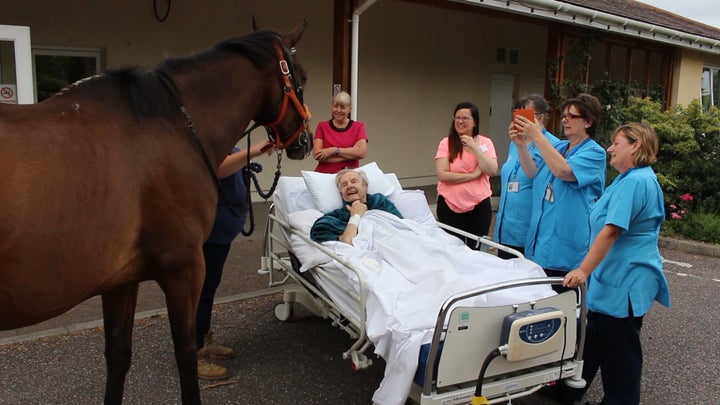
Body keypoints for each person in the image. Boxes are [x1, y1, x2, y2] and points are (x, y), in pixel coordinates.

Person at [558, 123, 671, 404]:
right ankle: (568, 389)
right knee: (594, 337)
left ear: (635, 146)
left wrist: (583, 270)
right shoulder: (627, 178)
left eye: (616, 143)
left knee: (620, 351)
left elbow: (611, 230)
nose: (610, 148)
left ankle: (621, 399)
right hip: (613, 278)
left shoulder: (635, 182)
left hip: (625, 281)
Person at [196, 139, 273, 380]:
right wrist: (254, 152)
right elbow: (219, 168)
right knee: (199, 291)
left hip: (222, 231)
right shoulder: (211, 144)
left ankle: (203, 338)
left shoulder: (231, 146)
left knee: (208, 288)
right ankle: (194, 353)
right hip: (210, 231)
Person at [513, 93, 606, 289]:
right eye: (564, 115)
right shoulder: (560, 146)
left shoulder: (595, 153)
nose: (565, 119)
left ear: (588, 122)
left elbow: (563, 171)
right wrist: (521, 145)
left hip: (567, 248)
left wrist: (538, 135)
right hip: (541, 241)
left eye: (572, 116)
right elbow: (532, 172)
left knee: (562, 309)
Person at [494, 95, 561, 259]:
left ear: (539, 117)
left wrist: (522, 146)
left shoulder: (553, 145)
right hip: (507, 224)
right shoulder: (515, 142)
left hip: (529, 225)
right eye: (517, 114)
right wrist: (519, 144)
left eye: (525, 115)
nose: (519, 120)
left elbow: (533, 174)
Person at [434, 101, 498, 248]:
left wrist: (474, 147)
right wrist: (473, 175)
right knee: (452, 250)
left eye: (465, 118)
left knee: (477, 249)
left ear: (475, 122)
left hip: (479, 205)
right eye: (457, 118)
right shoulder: (446, 143)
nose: (460, 121)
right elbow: (442, 174)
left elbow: (491, 169)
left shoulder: (485, 143)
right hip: (449, 205)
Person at [310, 169, 402, 245]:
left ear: (365, 186)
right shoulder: (335, 217)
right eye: (344, 185)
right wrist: (355, 216)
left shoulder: (379, 201)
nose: (349, 186)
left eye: (354, 181)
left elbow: (399, 225)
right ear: (341, 194)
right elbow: (320, 234)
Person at [312, 91, 368, 174]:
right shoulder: (322, 126)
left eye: (342, 107)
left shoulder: (358, 126)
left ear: (350, 109)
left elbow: (362, 153)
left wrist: (334, 150)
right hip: (324, 175)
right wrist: (352, 154)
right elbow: (317, 155)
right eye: (335, 106)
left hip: (349, 177)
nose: (338, 110)